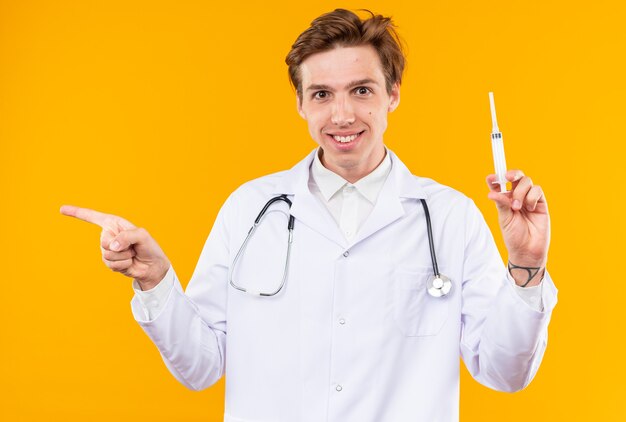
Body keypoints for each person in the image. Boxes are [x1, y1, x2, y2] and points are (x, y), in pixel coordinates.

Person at [61, 9, 557, 422]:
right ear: (300, 103)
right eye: (322, 94)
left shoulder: (450, 217)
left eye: (362, 90)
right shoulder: (250, 209)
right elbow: (201, 366)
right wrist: (156, 281)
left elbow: (503, 372)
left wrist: (528, 267)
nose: (342, 115)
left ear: (394, 94)